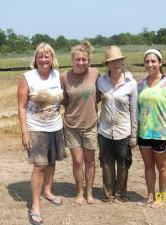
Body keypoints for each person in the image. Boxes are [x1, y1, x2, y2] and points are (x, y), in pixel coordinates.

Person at [17, 42, 66, 224]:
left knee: (51, 162)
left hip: (55, 126)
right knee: (39, 166)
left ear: (52, 58)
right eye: (41, 56)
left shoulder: (56, 75)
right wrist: (24, 132)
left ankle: (47, 191)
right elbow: (21, 107)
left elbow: (61, 100)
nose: (44, 59)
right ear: (35, 59)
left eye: (47, 56)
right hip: (36, 128)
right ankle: (35, 205)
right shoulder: (27, 78)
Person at [136, 49, 166, 208]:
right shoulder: (140, 84)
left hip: (161, 134)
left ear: (160, 63)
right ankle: (149, 195)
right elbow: (138, 111)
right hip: (144, 134)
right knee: (148, 165)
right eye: (147, 61)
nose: (150, 64)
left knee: (161, 166)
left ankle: (160, 197)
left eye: (153, 61)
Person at [97, 46, 138, 202]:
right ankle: (108, 194)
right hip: (105, 130)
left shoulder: (131, 83)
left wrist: (134, 135)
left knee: (123, 163)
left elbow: (134, 111)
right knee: (106, 163)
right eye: (112, 61)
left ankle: (120, 194)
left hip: (123, 131)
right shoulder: (101, 81)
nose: (116, 64)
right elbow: (93, 101)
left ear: (122, 61)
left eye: (118, 60)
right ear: (107, 64)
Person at [61, 41, 100, 205]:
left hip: (90, 124)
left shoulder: (95, 73)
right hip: (71, 126)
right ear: (72, 60)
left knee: (90, 161)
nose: (81, 63)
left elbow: (99, 95)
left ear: (88, 59)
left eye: (84, 59)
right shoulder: (64, 77)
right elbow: (63, 100)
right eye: (78, 60)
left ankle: (89, 192)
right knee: (77, 161)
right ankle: (80, 192)